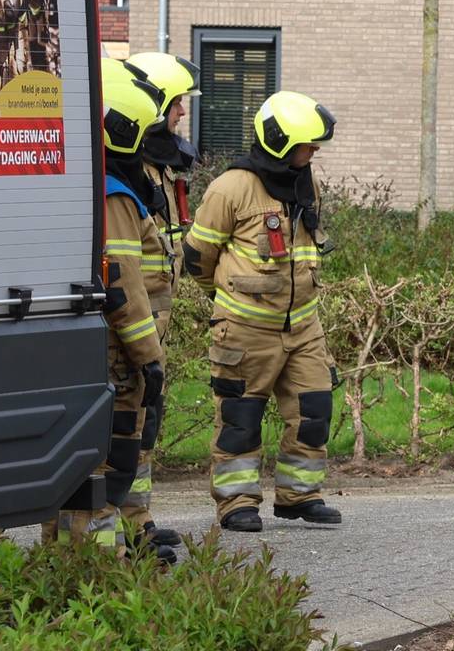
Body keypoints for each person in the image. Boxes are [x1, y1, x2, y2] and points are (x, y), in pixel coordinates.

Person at [182, 91, 341, 532]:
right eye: (308, 145)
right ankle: (236, 503)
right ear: (280, 143)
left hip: (304, 326)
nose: (315, 153)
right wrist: (235, 302)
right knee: (240, 418)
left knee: (313, 408)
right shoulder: (230, 188)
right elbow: (197, 258)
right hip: (245, 329)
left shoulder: (306, 182)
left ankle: (299, 496)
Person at [47, 59, 171, 562]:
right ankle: (91, 568)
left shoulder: (103, 187)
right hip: (117, 355)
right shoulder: (113, 196)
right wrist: (150, 357)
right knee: (100, 463)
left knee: (112, 459)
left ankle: (104, 551)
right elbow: (123, 287)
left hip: (113, 352)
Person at [118, 52, 202, 552]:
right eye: (177, 105)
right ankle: (123, 524)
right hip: (135, 316)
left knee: (145, 423)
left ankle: (137, 517)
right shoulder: (134, 170)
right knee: (127, 423)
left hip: (154, 317)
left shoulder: (162, 169)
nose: (182, 115)